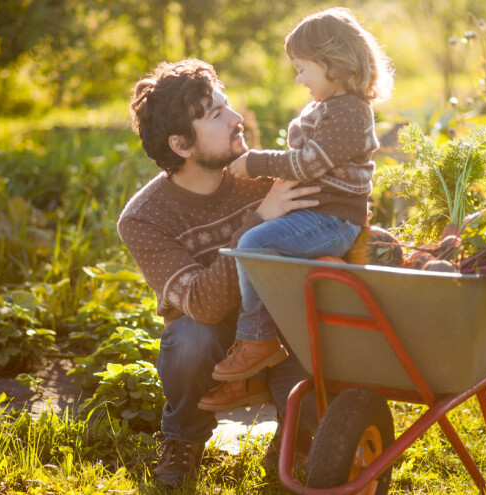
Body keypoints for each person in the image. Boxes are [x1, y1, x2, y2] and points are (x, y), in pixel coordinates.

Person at [118, 58, 318, 487]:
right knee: (190, 338)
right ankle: (183, 438)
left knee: (323, 333)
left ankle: (295, 436)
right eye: (216, 115)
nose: (236, 119)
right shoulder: (143, 218)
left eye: (228, 106)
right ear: (182, 145)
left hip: (278, 335)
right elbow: (204, 306)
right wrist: (259, 221)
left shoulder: (261, 173)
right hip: (213, 347)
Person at [212, 7, 395, 382]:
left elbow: (310, 163)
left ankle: (257, 340)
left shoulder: (350, 113)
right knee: (261, 248)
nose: (299, 79)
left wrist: (257, 162)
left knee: (251, 245)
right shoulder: (329, 107)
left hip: (333, 220)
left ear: (334, 63)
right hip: (316, 215)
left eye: (302, 68)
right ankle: (275, 331)